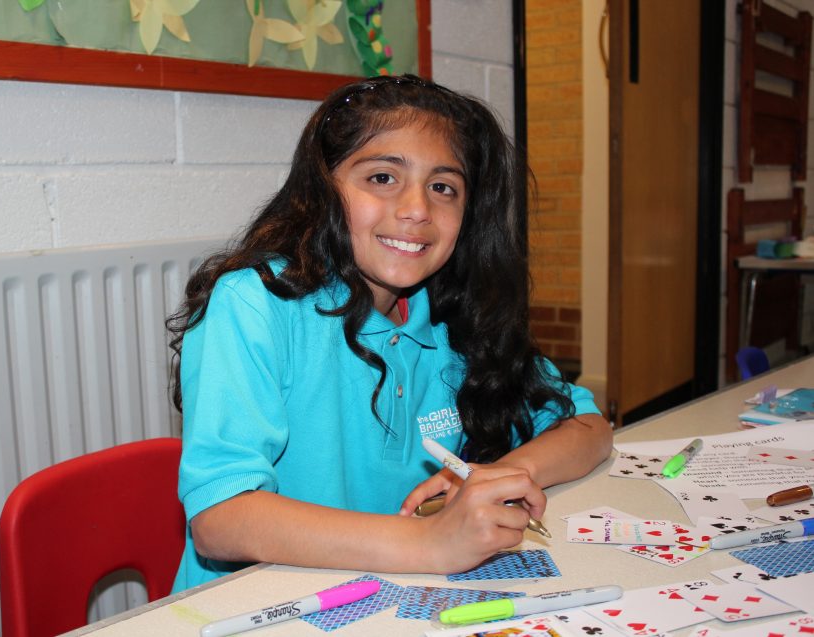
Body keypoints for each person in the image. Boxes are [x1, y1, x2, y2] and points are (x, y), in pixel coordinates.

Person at [167, 74, 612, 593]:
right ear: (321, 188)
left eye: (443, 187)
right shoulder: (254, 303)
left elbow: (589, 427)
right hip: (258, 604)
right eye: (382, 178)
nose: (418, 209)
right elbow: (220, 521)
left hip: (393, 592)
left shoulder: (457, 315)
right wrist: (430, 543)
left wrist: (493, 477)